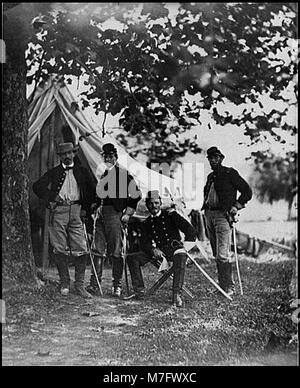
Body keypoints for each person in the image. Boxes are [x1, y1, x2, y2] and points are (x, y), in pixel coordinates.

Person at [33, 142, 95, 298]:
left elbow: (92, 191)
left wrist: (86, 209)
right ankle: (65, 282)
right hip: (59, 210)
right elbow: (37, 186)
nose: (67, 156)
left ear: (74, 154)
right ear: (59, 156)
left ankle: (79, 285)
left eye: (69, 153)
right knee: (59, 247)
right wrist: (52, 197)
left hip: (77, 211)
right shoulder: (54, 172)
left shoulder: (82, 171)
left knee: (81, 247)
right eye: (63, 154)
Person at [87, 143, 142, 297]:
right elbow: (100, 197)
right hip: (101, 215)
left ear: (116, 157)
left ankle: (116, 285)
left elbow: (136, 195)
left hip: (115, 215)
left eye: (111, 156)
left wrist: (128, 214)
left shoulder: (124, 175)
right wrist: (94, 206)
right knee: (97, 249)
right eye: (105, 156)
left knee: (116, 251)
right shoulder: (104, 174)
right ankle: (94, 284)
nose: (108, 158)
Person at [126, 190, 197, 307]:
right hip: (159, 252)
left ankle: (176, 294)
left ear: (160, 203)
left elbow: (191, 231)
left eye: (156, 203)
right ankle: (139, 291)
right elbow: (144, 243)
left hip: (175, 250)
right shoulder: (146, 222)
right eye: (151, 203)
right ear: (147, 205)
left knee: (180, 256)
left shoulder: (171, 215)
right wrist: (153, 249)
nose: (154, 206)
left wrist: (184, 248)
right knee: (133, 258)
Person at [201, 146, 252, 296]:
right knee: (217, 252)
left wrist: (236, 206)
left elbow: (247, 192)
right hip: (209, 215)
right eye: (210, 158)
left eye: (215, 157)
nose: (213, 160)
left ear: (221, 158)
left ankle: (229, 287)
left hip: (223, 216)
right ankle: (222, 286)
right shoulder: (210, 176)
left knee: (222, 254)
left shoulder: (230, 173)